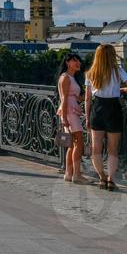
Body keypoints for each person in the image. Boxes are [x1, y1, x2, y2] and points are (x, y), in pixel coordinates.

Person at [85, 44, 127, 191]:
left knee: (96, 148)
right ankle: (110, 179)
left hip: (97, 109)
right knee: (113, 149)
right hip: (113, 109)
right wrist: (120, 90)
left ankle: (101, 177)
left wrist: (86, 117)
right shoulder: (117, 71)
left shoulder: (91, 73)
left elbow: (87, 98)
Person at [57, 53, 87, 184]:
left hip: (71, 109)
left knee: (72, 144)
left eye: (78, 60)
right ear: (67, 62)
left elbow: (76, 97)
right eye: (75, 61)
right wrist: (64, 118)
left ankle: (69, 173)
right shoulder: (66, 78)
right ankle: (77, 174)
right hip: (69, 111)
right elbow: (63, 98)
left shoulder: (71, 78)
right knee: (79, 142)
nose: (78, 63)